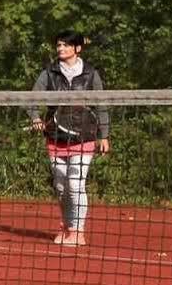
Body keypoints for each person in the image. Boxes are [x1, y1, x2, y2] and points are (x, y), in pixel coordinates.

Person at [28, 30, 110, 248]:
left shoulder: (91, 74)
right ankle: (66, 225)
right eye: (58, 46)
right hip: (56, 137)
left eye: (65, 45)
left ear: (77, 48)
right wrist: (35, 117)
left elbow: (101, 105)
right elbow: (33, 99)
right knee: (61, 186)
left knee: (75, 184)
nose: (60, 49)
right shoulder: (49, 73)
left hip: (85, 136)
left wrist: (105, 135)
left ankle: (77, 231)